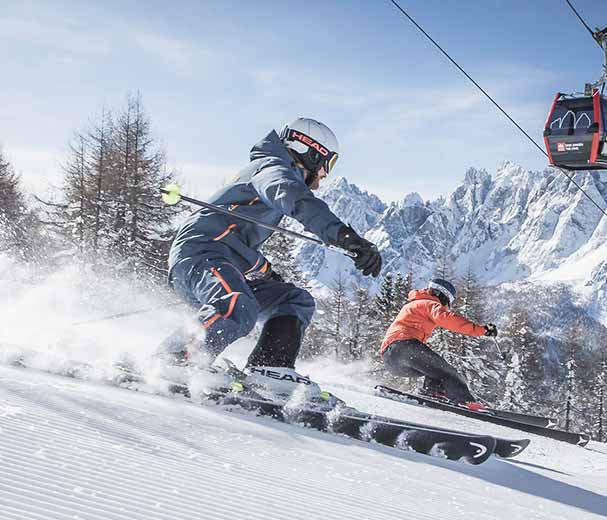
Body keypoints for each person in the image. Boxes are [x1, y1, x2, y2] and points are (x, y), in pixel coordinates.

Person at [158, 117, 382, 403]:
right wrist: (344, 236)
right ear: (310, 151)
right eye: (329, 163)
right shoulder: (272, 169)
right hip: (199, 255)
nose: (326, 174)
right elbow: (297, 200)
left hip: (221, 257)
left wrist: (265, 271)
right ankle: (175, 357)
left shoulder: (271, 171)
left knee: (294, 300)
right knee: (237, 303)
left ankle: (270, 368)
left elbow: (235, 238)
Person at [379, 278, 498, 408]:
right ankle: (466, 402)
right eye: (448, 302)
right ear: (441, 295)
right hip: (403, 347)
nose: (447, 307)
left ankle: (433, 392)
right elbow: (447, 319)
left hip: (391, 358)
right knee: (449, 373)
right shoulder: (428, 303)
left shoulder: (414, 304)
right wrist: (482, 330)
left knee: (435, 371)